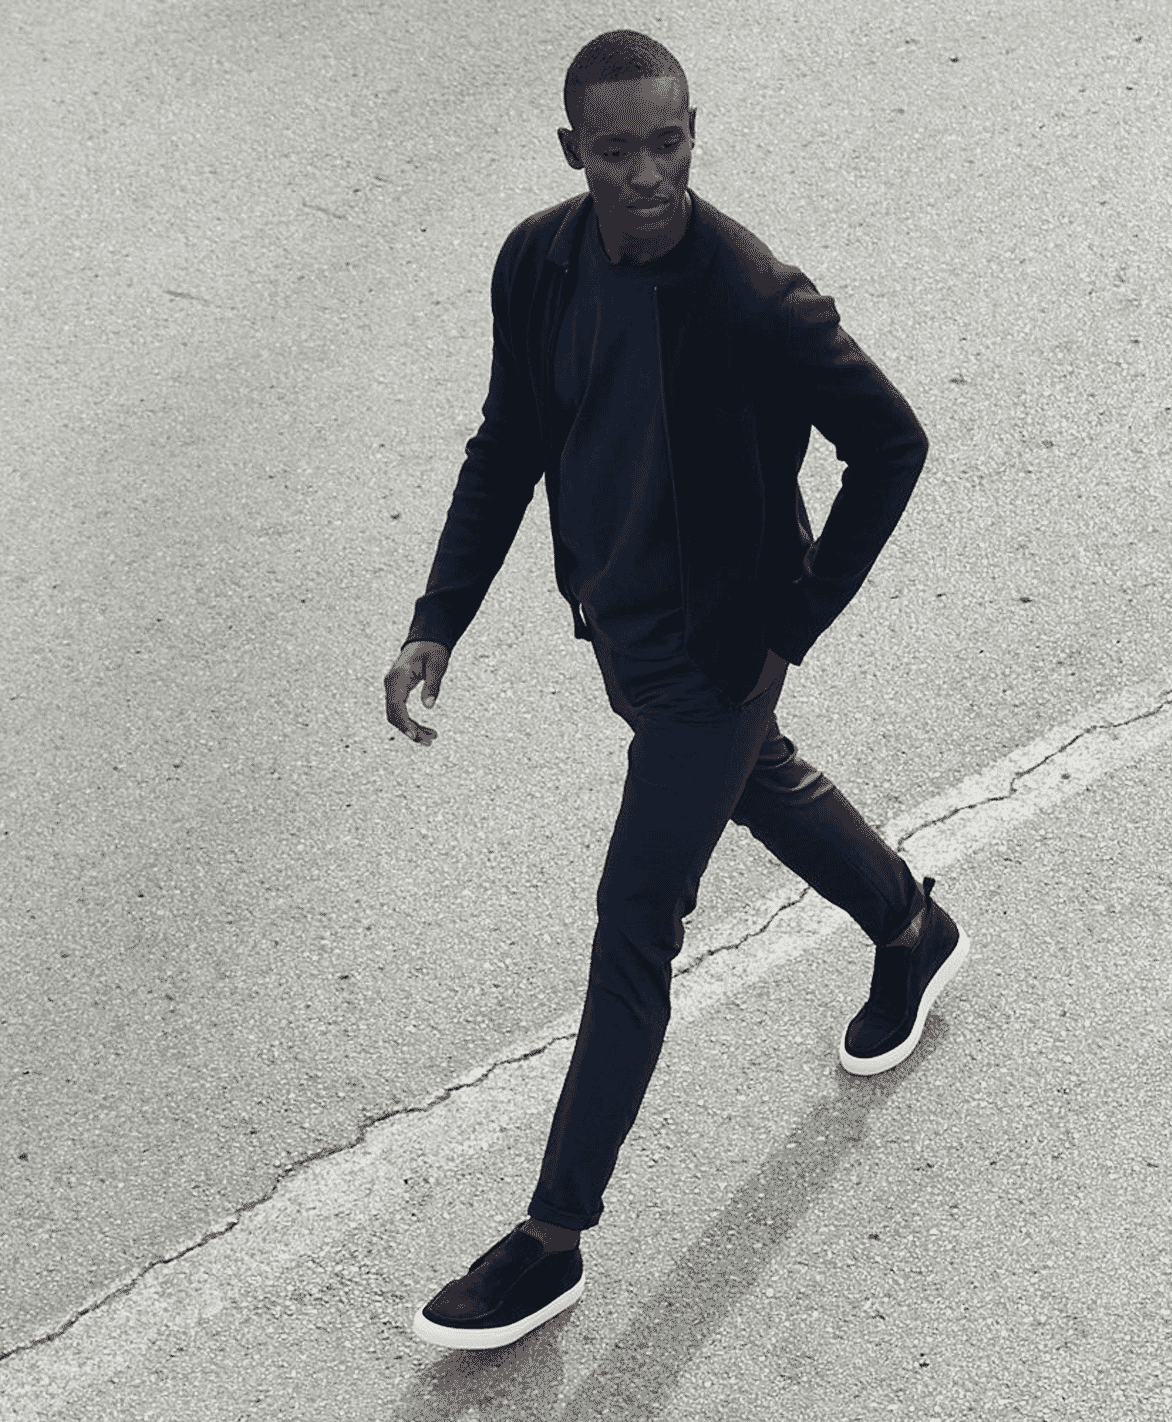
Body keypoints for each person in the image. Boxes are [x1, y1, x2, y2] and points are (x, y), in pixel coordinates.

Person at [385, 29, 971, 1351]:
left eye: (670, 142)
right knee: (759, 782)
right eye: (616, 150)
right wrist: (440, 618)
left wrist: (794, 629)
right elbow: (511, 442)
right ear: (571, 153)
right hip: (625, 630)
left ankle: (552, 1235)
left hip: (718, 657)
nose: (648, 173)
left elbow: (892, 441)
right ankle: (912, 930)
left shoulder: (754, 297)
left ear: (693, 130)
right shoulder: (538, 264)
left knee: (635, 911)